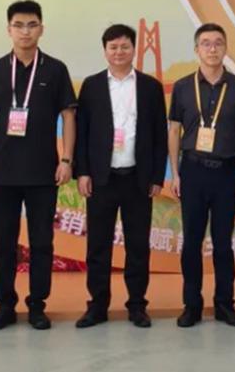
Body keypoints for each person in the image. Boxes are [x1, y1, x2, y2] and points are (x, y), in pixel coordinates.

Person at [0, 0, 77, 330]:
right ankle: (5, 305)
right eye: (18, 25)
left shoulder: (55, 70)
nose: (25, 31)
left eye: (32, 25)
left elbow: (68, 115)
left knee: (42, 242)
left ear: (41, 28)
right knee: (4, 243)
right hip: (2, 173)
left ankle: (37, 306)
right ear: (9, 30)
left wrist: (66, 159)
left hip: (44, 173)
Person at [73, 24, 168, 329]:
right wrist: (82, 172)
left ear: (134, 49)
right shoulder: (92, 86)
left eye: (125, 46)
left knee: (138, 246)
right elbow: (82, 132)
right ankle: (97, 306)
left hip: (138, 179)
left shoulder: (150, 87)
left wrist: (157, 176)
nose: (119, 52)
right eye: (113, 47)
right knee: (98, 246)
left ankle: (137, 306)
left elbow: (160, 135)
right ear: (105, 51)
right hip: (102, 178)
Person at [168, 23, 235, 328]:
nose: (212, 48)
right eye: (206, 43)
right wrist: (175, 173)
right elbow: (174, 131)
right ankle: (191, 305)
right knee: (192, 242)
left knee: (223, 242)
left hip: (227, 173)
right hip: (192, 171)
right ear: (196, 50)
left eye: (218, 43)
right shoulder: (182, 86)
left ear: (225, 48)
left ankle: (224, 304)